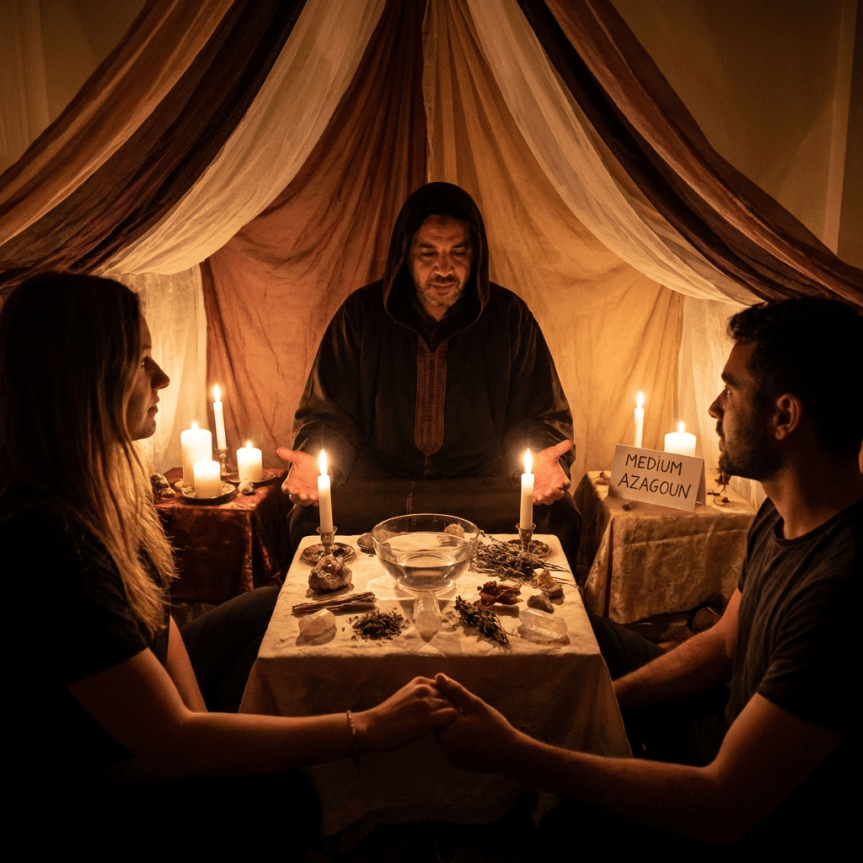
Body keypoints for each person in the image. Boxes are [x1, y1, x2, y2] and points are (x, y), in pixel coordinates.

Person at [0, 272, 459, 858]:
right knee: (290, 794)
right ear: (84, 380)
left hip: (148, 722)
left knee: (273, 611)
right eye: (141, 360)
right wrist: (364, 727)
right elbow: (169, 744)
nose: (161, 377)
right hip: (89, 781)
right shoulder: (48, 541)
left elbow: (159, 627)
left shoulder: (104, 489)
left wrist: (205, 719)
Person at [433, 297, 862, 860]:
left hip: (747, 818)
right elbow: (726, 642)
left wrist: (517, 750)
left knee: (546, 830)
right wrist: (603, 701)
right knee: (578, 623)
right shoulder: (779, 515)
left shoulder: (840, 592)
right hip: (717, 728)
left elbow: (722, 804)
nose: (715, 406)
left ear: (785, 417)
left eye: (730, 390)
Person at [277, 182, 575, 542]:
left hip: (479, 489)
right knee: (309, 516)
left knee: (555, 514)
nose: (443, 269)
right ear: (405, 253)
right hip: (381, 488)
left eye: (458, 252)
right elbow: (328, 416)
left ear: (475, 256)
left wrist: (542, 460)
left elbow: (538, 415)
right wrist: (315, 458)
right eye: (428, 253)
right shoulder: (362, 313)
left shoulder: (509, 317)